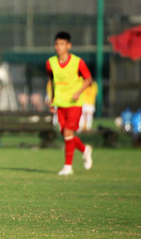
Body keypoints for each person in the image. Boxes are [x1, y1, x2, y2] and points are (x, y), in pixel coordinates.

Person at [46, 31, 93, 176]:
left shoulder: (77, 62)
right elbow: (52, 82)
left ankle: (68, 166)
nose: (59, 47)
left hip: (74, 104)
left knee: (68, 132)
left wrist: (79, 92)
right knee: (66, 134)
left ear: (69, 45)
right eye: (57, 44)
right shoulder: (50, 63)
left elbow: (88, 79)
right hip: (60, 104)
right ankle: (85, 150)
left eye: (62, 44)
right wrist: (52, 100)